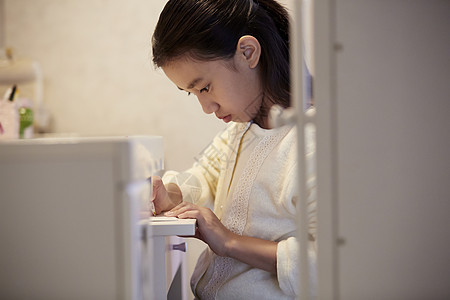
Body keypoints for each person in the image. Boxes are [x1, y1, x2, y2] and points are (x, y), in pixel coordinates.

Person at [150, 0, 316, 299]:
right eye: (192, 94)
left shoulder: (315, 145)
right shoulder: (243, 129)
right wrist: (170, 195)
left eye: (204, 87)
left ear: (248, 52)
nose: (206, 107)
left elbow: (333, 265)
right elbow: (207, 173)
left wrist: (228, 242)